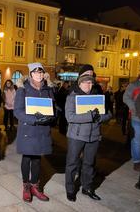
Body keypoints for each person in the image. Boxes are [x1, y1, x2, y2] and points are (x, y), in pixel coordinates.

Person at [65, 74, 111, 202]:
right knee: (72, 163)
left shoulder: (98, 97)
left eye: (91, 83)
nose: (88, 85)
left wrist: (100, 117)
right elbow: (70, 117)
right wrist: (90, 116)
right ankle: (70, 189)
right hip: (76, 136)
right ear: (79, 84)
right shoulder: (72, 97)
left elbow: (109, 114)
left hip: (94, 136)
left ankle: (87, 187)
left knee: (89, 163)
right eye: (85, 83)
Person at [14, 62, 56, 202]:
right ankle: (26, 186)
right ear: (30, 74)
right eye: (36, 72)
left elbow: (53, 108)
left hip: (42, 130)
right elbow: (17, 111)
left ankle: (35, 186)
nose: (39, 75)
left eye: (41, 72)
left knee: (37, 160)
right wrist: (34, 119)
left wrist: (50, 117)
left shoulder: (48, 89)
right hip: (28, 129)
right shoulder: (23, 89)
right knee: (27, 158)